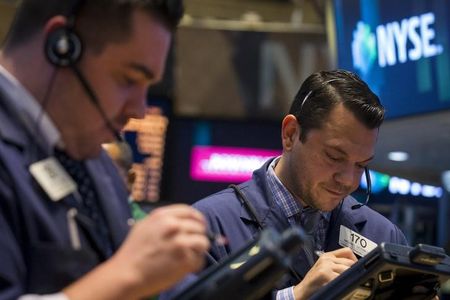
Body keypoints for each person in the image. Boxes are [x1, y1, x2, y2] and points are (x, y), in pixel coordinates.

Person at [0, 0, 210, 299]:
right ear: (61, 46)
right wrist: (129, 275)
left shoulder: (95, 161)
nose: (139, 109)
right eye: (129, 79)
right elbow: (123, 274)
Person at [163, 69, 408, 300]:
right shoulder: (209, 226)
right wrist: (294, 296)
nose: (348, 180)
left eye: (361, 165)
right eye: (334, 157)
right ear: (290, 134)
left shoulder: (384, 237)